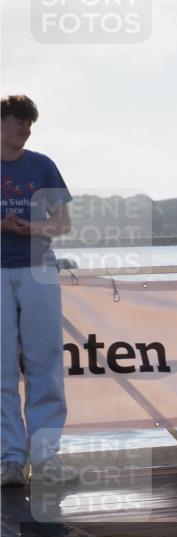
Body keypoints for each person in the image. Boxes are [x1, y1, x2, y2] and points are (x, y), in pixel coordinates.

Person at [1, 95, 77, 486]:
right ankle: (10, 460)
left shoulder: (42, 165)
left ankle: (46, 458)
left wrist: (33, 229)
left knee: (45, 365)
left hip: (38, 271)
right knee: (1, 372)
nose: (25, 128)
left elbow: (62, 223)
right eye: (19, 121)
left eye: (29, 122)